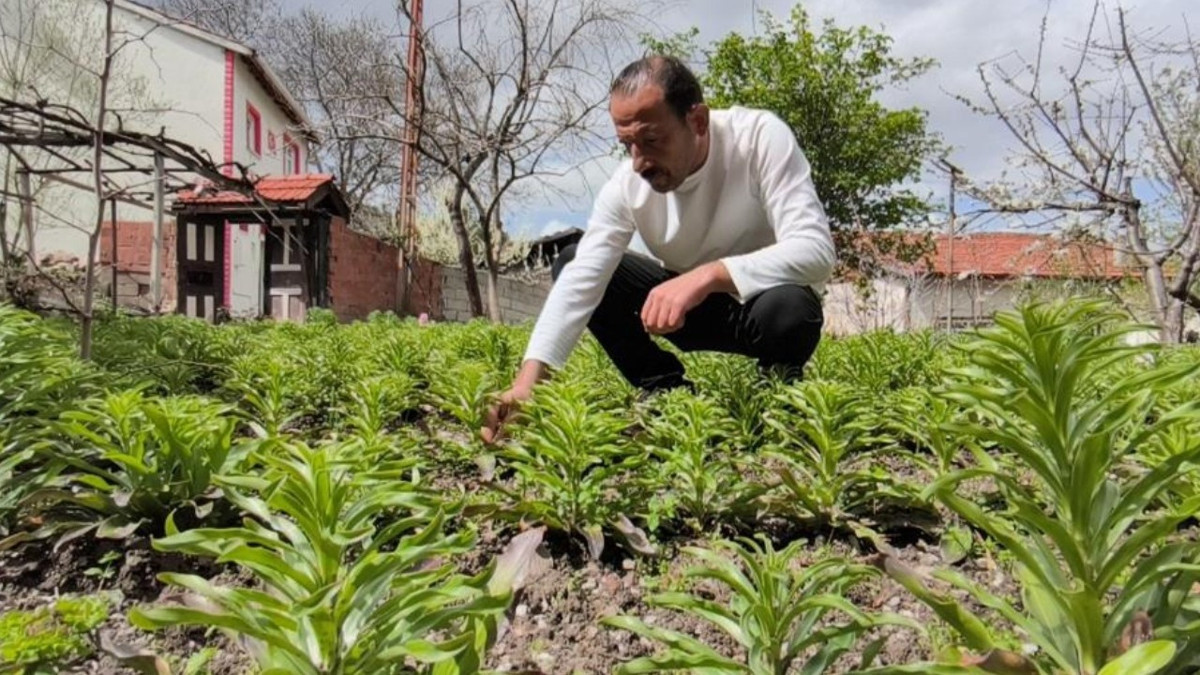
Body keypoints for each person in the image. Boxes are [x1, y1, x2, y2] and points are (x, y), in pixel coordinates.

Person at [481, 54, 835, 444]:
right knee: (572, 260)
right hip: (685, 312)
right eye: (627, 143)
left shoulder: (758, 138)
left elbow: (815, 249)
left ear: (697, 121)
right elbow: (582, 279)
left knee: (791, 308)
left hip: (763, 309)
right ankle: (666, 391)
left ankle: (776, 392)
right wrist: (528, 383)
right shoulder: (626, 186)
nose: (638, 162)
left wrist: (708, 275)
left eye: (651, 140)